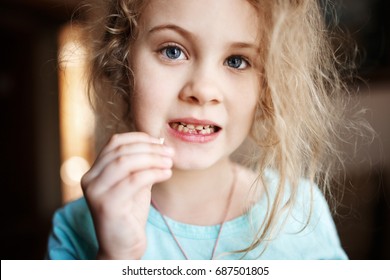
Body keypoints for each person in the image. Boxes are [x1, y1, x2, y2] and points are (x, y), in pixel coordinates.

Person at [47, 0, 356, 260]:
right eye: (172, 51)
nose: (204, 90)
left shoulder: (301, 209)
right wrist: (117, 260)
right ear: (123, 63)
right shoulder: (75, 226)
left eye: (237, 61)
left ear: (266, 88)